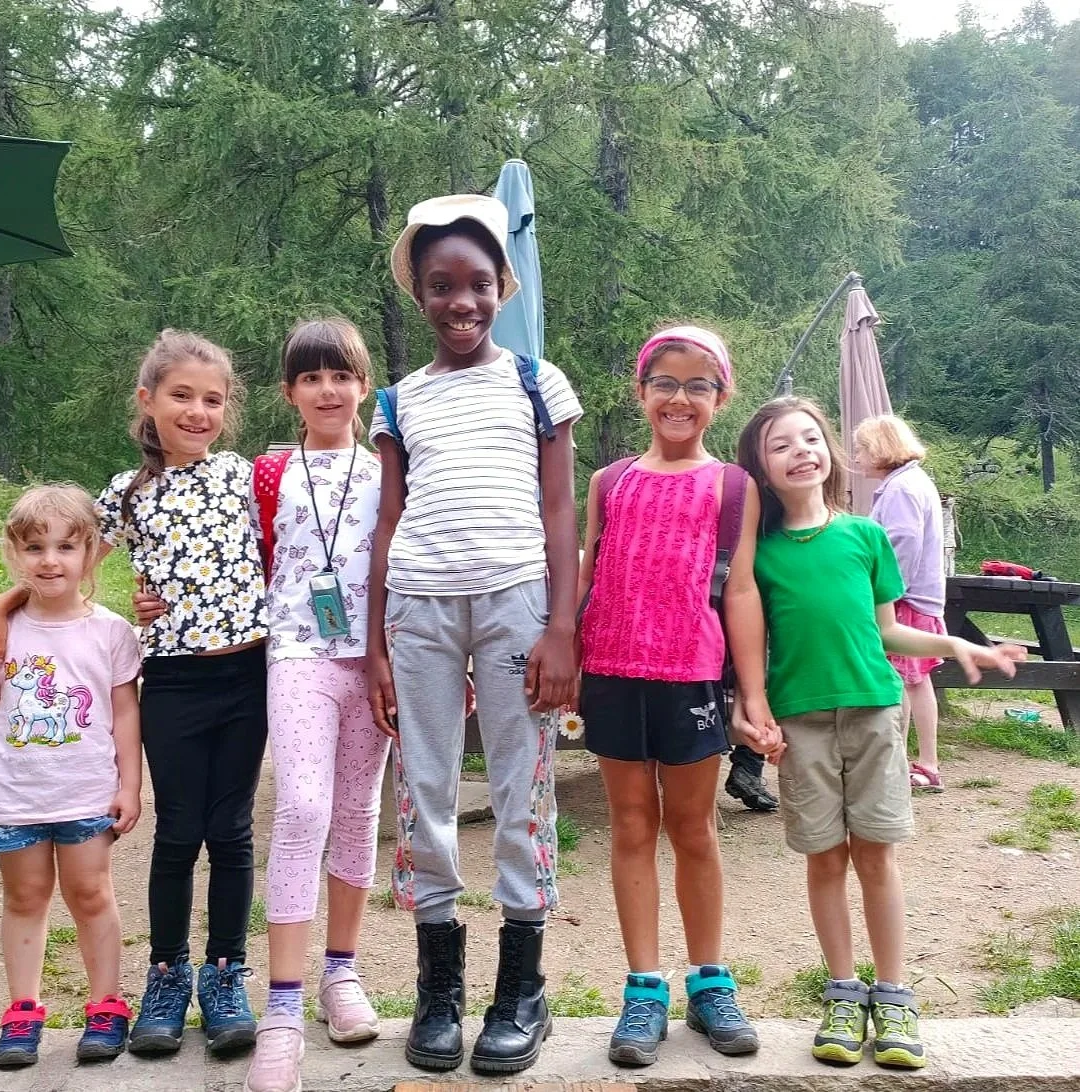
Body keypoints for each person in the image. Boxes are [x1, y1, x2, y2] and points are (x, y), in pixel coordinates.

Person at [0, 330, 269, 1059]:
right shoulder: (125, 494)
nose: (197, 411)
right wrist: (0, 604)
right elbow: (66, 562)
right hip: (171, 681)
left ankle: (224, 973)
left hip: (247, 675)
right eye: (181, 395)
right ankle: (165, 976)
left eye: (213, 399)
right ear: (147, 400)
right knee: (178, 830)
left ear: (228, 409)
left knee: (231, 832)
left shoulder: (245, 475)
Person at [736, 397, 1024, 1070]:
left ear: (830, 451)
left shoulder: (865, 537)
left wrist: (955, 644)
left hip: (874, 712)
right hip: (800, 723)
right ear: (760, 468)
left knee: (876, 856)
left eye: (812, 437)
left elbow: (888, 629)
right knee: (824, 859)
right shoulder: (761, 555)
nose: (802, 451)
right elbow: (749, 640)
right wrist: (751, 710)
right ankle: (842, 993)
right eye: (781, 445)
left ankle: (893, 996)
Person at [366, 194, 582, 1075]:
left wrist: (562, 625)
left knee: (523, 784)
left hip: (516, 601)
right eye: (441, 285)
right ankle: (438, 990)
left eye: (479, 284)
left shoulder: (536, 383)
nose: (462, 302)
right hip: (418, 606)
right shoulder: (397, 400)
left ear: (502, 287)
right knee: (425, 785)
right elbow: (388, 523)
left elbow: (561, 510)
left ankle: (522, 988)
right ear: (419, 293)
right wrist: (376, 648)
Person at [575, 324, 779, 1066]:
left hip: (692, 673)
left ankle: (710, 983)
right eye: (665, 382)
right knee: (631, 825)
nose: (680, 398)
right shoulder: (609, 482)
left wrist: (753, 695)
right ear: (641, 392)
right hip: (612, 670)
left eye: (699, 385)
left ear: (721, 398)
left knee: (694, 828)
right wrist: (566, 657)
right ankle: (643, 989)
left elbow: (742, 589)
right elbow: (588, 574)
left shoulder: (733, 486)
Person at [243, 319, 390, 1092]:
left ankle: (341, 971)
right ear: (289, 392)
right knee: (302, 808)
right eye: (311, 378)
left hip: (373, 662)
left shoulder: (388, 470)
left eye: (341, 376)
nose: (327, 390)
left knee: (359, 811)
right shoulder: (268, 473)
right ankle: (282, 1007)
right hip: (298, 654)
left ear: (363, 385)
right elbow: (229, 557)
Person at [0, 485, 142, 1069]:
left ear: (91, 551)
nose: (50, 560)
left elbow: (125, 712)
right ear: (15, 553)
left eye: (65, 546)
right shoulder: (1, 631)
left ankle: (106, 1005)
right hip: (15, 795)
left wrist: (129, 785)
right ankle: (22, 1010)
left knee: (91, 894)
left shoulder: (110, 631)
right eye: (35, 548)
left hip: (85, 792)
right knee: (25, 897)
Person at [853, 415, 947, 792]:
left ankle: (923, 763)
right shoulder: (911, 482)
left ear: (880, 449)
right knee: (911, 680)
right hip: (919, 597)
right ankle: (908, 758)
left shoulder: (901, 489)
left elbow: (902, 542)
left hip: (906, 601)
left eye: (861, 449)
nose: (857, 457)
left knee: (908, 682)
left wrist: (887, 593)